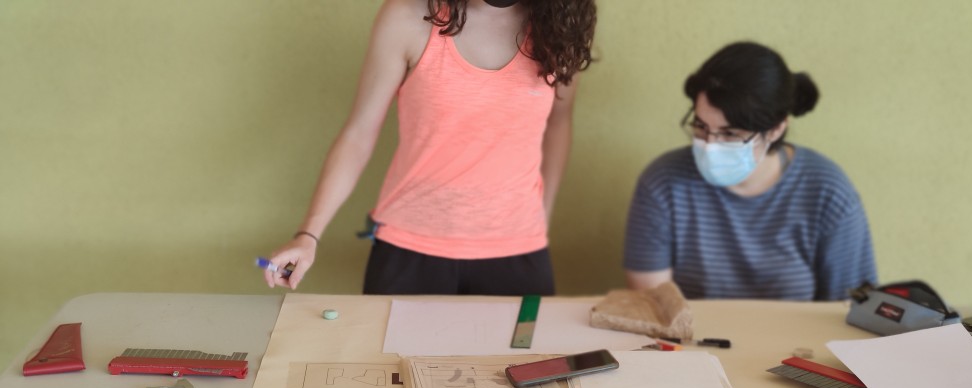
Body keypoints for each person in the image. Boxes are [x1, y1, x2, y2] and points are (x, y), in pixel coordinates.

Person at [263, 0, 597, 296]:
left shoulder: (561, 26)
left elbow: (558, 123)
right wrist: (308, 235)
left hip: (519, 252)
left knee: (521, 352)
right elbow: (359, 133)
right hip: (408, 251)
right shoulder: (407, 16)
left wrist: (542, 213)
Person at [623, 41, 878, 301]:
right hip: (690, 330)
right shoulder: (663, 183)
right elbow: (653, 304)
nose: (710, 146)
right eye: (700, 127)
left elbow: (853, 307)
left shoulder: (828, 193)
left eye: (730, 134)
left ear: (776, 129)